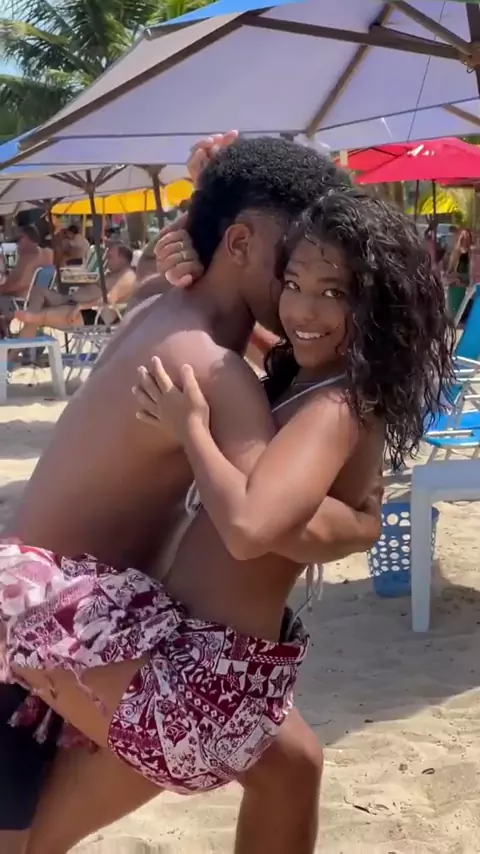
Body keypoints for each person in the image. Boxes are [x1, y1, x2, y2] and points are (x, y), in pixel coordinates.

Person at [0, 180, 454, 854]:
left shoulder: (335, 405)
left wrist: (192, 431)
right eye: (293, 281)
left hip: (196, 687)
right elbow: (245, 317)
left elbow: (249, 527)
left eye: (334, 292)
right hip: (217, 673)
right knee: (294, 766)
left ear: (377, 305)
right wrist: (192, 237)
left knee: (13, 593)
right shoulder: (311, 380)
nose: (302, 307)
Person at [15, 242, 136, 338]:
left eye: (110, 257)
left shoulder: (127, 277)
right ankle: (29, 327)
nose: (107, 260)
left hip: (92, 315)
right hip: (73, 301)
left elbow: (108, 299)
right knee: (38, 292)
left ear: (122, 258)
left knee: (38, 316)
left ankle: (19, 345)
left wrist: (81, 306)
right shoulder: (115, 273)